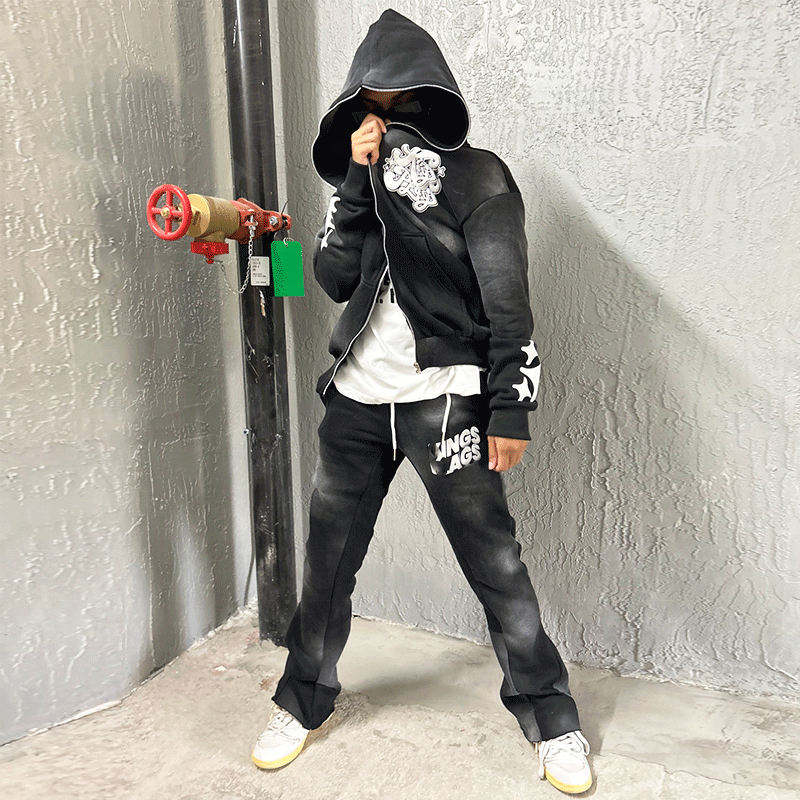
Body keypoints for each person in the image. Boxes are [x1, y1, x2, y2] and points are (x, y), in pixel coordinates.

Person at [251, 8, 593, 795]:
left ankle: (552, 719)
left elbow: (508, 302)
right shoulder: (361, 182)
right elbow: (334, 279)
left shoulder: (480, 177)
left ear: (433, 100)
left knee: (495, 565)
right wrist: (352, 184)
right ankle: (300, 704)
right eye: (371, 108)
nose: (387, 122)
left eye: (402, 104)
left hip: (446, 406)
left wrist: (511, 408)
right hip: (356, 403)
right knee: (327, 564)